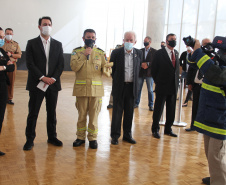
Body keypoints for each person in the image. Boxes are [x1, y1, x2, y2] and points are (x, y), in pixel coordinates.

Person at [188, 37, 226, 185]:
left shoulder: (217, 69)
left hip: (219, 119)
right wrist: (198, 52)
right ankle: (216, 177)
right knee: (211, 155)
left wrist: (198, 52)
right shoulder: (216, 63)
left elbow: (213, 73)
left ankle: (220, 181)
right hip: (210, 116)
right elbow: (194, 63)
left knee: (216, 156)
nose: (220, 54)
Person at [23, 16, 64, 151]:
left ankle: (52, 137)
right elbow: (30, 64)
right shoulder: (31, 43)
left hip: (52, 84)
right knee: (33, 112)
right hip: (37, 84)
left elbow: (60, 65)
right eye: (44, 24)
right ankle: (30, 139)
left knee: (51, 113)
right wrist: (42, 77)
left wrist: (52, 78)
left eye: (49, 24)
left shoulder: (58, 44)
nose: (47, 26)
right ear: (39, 27)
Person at [70, 29, 108, 149]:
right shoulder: (76, 52)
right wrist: (84, 55)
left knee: (94, 116)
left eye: (92, 37)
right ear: (83, 38)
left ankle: (93, 138)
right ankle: (80, 137)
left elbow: (106, 70)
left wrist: (108, 69)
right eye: (88, 37)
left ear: (95, 39)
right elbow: (74, 67)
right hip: (81, 89)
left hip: (96, 91)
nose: (90, 39)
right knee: (81, 115)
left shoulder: (100, 53)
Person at [110, 31, 142, 145]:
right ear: (123, 40)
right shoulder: (116, 53)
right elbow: (112, 71)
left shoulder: (139, 53)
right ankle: (115, 136)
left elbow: (139, 70)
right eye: (126, 40)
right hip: (120, 87)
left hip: (132, 87)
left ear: (135, 42)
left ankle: (127, 135)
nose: (128, 42)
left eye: (131, 40)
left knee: (129, 112)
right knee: (117, 112)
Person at [151, 33, 180, 139]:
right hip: (162, 86)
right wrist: (158, 81)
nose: (174, 41)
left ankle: (168, 129)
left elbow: (176, 70)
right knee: (158, 109)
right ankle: (155, 129)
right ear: (167, 41)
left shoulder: (176, 53)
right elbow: (154, 69)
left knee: (171, 109)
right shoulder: (159, 53)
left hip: (173, 87)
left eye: (175, 39)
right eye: (172, 39)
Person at [185, 38, 211, 132]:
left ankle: (204, 127)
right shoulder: (197, 55)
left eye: (208, 43)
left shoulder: (212, 57)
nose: (206, 45)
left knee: (206, 107)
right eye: (204, 44)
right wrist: (189, 83)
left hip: (207, 86)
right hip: (197, 85)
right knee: (195, 106)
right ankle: (193, 126)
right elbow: (190, 68)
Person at [0, 28, 15, 156]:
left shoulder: (1, 51)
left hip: (2, 88)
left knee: (0, 117)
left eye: (2, 37)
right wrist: (6, 65)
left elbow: (11, 66)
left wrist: (3, 66)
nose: (2, 39)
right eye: (0, 37)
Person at [134, 36, 156, 111]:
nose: (144, 42)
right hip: (141, 73)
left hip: (149, 74)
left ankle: (151, 105)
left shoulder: (154, 52)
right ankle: (136, 103)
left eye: (146, 41)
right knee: (138, 89)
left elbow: (155, 62)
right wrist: (141, 64)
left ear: (150, 42)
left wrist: (148, 64)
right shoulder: (140, 51)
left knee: (150, 90)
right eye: (144, 41)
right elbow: (137, 60)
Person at [1, 28, 22, 105]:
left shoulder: (15, 44)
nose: (9, 35)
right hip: (1, 65)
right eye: (7, 33)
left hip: (11, 65)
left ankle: (9, 98)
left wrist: (11, 55)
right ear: (5, 34)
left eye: (10, 34)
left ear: (12, 34)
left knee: (11, 81)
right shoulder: (1, 42)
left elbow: (19, 55)